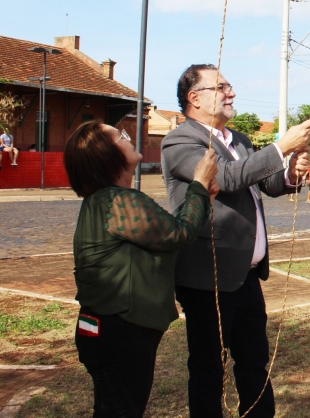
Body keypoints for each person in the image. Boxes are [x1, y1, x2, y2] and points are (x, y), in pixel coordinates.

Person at [161, 64, 310, 418]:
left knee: (254, 362)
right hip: (207, 279)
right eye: (221, 87)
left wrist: (291, 171)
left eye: (229, 86)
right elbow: (225, 178)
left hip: (246, 275)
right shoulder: (180, 141)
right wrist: (280, 147)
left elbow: (266, 184)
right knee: (208, 370)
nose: (231, 93)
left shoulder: (239, 139)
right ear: (194, 98)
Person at [64, 120, 219, 418]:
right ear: (107, 155)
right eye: (119, 136)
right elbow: (179, 233)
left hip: (105, 328)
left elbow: (165, 232)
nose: (128, 137)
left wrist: (200, 199)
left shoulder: (103, 200)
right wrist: (199, 182)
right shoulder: (120, 201)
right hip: (121, 331)